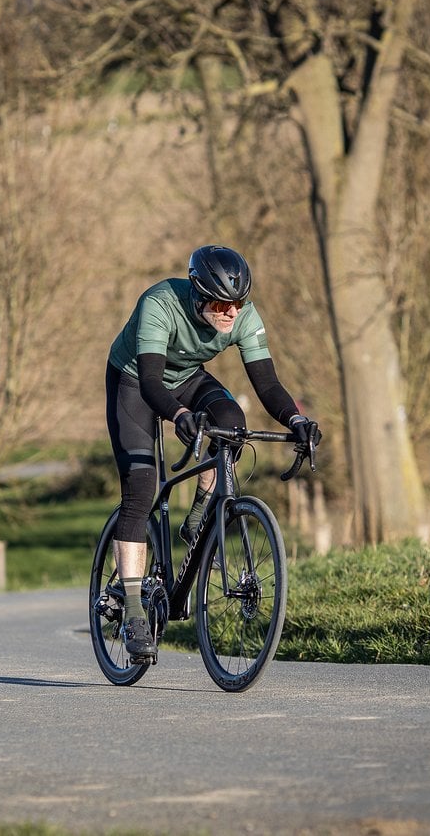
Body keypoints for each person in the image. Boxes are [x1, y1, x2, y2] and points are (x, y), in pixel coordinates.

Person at [105, 245, 319, 660]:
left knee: (231, 428)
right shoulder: (160, 303)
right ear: (197, 294)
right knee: (142, 488)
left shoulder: (245, 316)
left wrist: (295, 420)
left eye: (237, 302)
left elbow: (268, 385)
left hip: (186, 378)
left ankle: (201, 517)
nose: (230, 312)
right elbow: (151, 381)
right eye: (221, 303)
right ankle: (133, 615)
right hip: (135, 382)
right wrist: (180, 414)